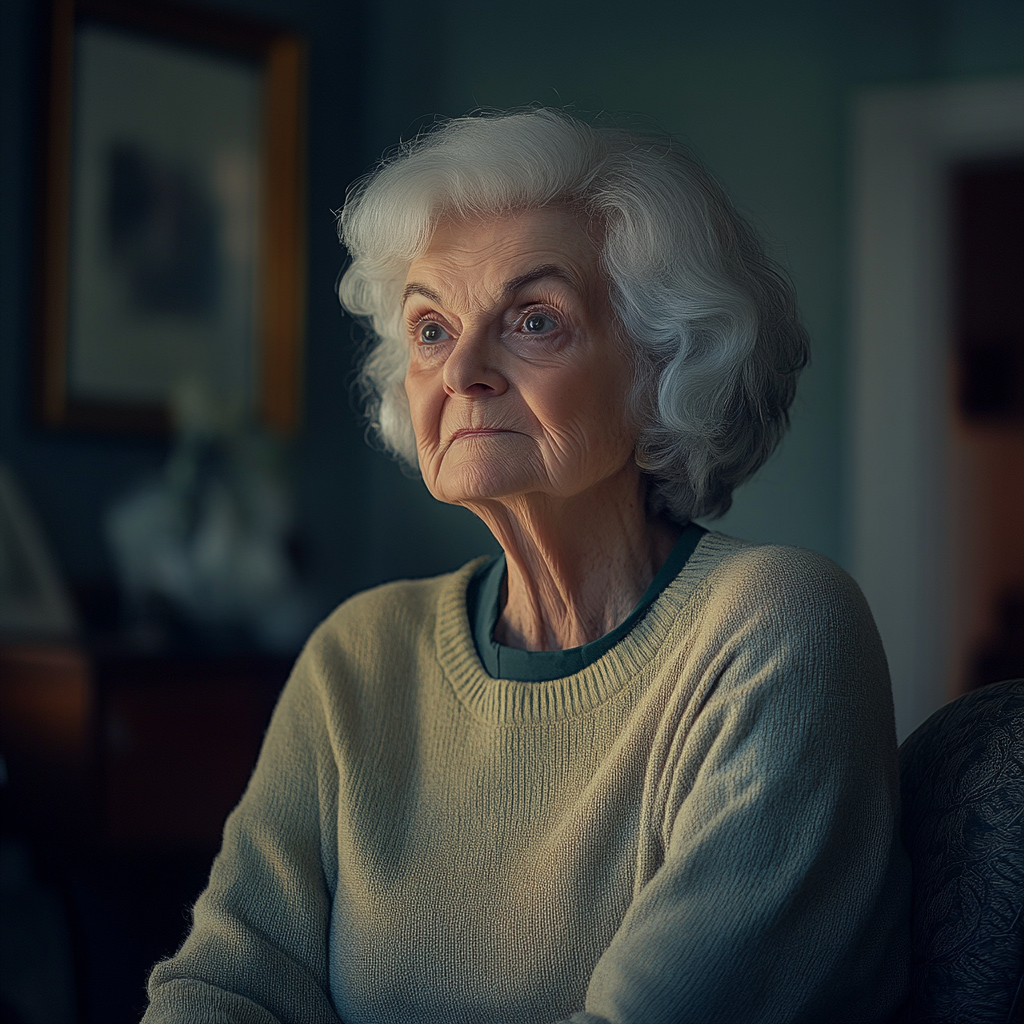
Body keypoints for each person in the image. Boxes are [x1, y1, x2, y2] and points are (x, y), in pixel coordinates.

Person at [142, 108, 910, 1024]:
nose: (462, 369)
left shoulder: (777, 628)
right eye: (430, 329)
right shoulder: (360, 652)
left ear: (664, 365)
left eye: (535, 319)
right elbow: (224, 986)